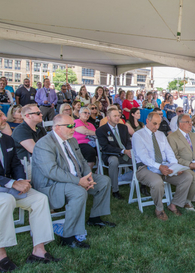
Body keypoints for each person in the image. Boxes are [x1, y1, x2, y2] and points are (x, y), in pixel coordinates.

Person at [32, 114, 115, 249]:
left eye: (74, 125)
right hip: (51, 185)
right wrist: (78, 181)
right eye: (70, 126)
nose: (73, 129)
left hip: (74, 178)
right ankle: (68, 236)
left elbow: (81, 160)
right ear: (57, 128)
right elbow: (51, 171)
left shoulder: (72, 140)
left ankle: (95, 218)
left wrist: (87, 175)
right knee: (78, 192)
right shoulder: (44, 144)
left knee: (104, 181)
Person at [0, 111, 59, 270]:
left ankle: (39, 250)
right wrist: (12, 183)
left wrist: (20, 180)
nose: (5, 118)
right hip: (5, 188)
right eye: (0, 115)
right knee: (6, 201)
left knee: (39, 199)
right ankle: (1, 254)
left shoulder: (6, 139)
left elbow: (15, 164)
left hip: (9, 185)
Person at [132, 112, 193, 221]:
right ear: (147, 121)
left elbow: (169, 153)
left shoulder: (161, 134)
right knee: (157, 182)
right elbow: (144, 157)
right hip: (145, 168)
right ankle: (159, 209)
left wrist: (175, 167)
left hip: (164, 166)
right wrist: (159, 167)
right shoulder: (138, 135)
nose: (157, 127)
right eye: (154, 124)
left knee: (187, 177)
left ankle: (173, 204)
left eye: (159, 124)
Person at [96, 106, 132, 200]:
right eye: (115, 116)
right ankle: (115, 190)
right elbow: (106, 147)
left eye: (118, 115)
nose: (117, 118)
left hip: (125, 153)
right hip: (110, 154)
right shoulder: (101, 130)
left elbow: (128, 141)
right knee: (114, 161)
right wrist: (123, 151)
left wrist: (129, 150)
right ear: (108, 117)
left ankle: (142, 185)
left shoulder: (123, 127)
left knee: (140, 160)